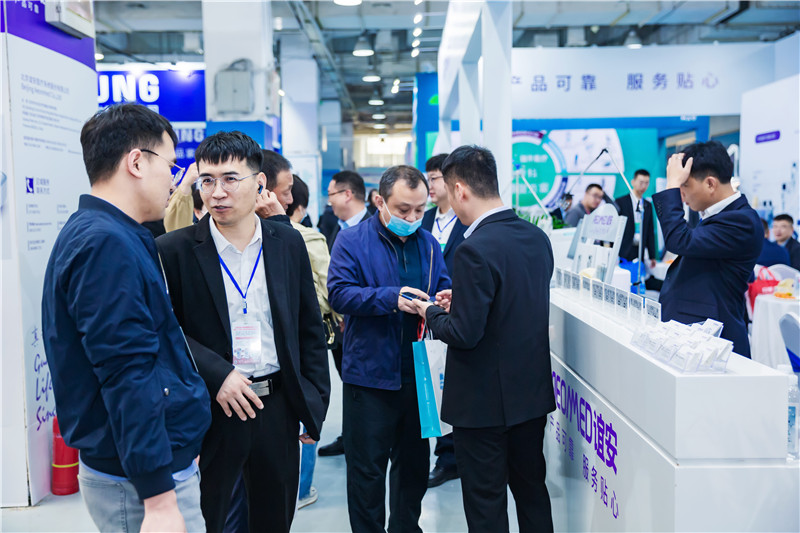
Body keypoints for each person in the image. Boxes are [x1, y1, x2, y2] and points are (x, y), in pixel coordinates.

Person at [41, 103, 211, 532]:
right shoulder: (105, 244)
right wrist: (158, 498)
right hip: (138, 483)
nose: (173, 180)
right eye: (169, 165)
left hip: (149, 464)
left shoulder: (113, 233)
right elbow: (127, 371)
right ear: (136, 162)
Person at [155, 131, 330, 533]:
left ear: (259, 182)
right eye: (207, 180)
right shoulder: (174, 249)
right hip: (213, 407)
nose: (217, 192)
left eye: (230, 179)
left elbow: (307, 327)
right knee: (212, 518)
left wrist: (313, 403)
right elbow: (166, 329)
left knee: (275, 518)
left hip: (277, 404)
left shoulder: (287, 242)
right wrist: (218, 374)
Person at [411, 145, 555, 533]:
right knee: (532, 493)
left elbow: (463, 334)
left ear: (459, 190)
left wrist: (431, 311)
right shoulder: (536, 237)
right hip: (530, 396)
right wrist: (464, 300)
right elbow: (514, 303)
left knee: (486, 504)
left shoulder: (473, 248)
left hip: (483, 404)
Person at [328, 165, 450, 533]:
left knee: (413, 468)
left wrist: (445, 299)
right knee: (366, 472)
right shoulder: (352, 241)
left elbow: (442, 284)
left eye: (420, 210)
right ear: (379, 201)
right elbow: (339, 294)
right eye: (403, 210)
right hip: (369, 377)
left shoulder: (429, 245)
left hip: (417, 375)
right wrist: (391, 298)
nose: (412, 218)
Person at [653, 140, 762, 358]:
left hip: (715, 344)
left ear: (710, 184)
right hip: (696, 338)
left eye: (684, 186)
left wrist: (671, 185)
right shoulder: (716, 215)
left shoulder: (742, 221)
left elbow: (679, 241)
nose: (680, 195)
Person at [287, 174, 341, 510]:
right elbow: (330, 288)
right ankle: (302, 488)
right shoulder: (308, 237)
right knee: (306, 409)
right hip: (307, 336)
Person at [317, 169, 372, 458]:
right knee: (348, 384)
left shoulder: (374, 228)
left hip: (365, 325)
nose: (330, 202)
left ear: (347, 194)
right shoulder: (336, 228)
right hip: (339, 326)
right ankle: (350, 436)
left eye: (332, 195)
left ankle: (365, 439)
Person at [420, 152, 466, 489]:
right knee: (434, 386)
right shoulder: (423, 220)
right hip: (426, 314)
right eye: (428, 178)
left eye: (435, 178)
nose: (430, 185)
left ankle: (454, 457)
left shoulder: (466, 222)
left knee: (455, 386)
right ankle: (443, 455)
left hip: (459, 314)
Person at [616, 169, 657, 267]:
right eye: (641, 182)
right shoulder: (621, 202)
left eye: (646, 183)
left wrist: (652, 256)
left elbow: (650, 231)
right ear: (633, 182)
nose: (644, 186)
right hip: (623, 250)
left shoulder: (647, 205)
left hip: (640, 250)